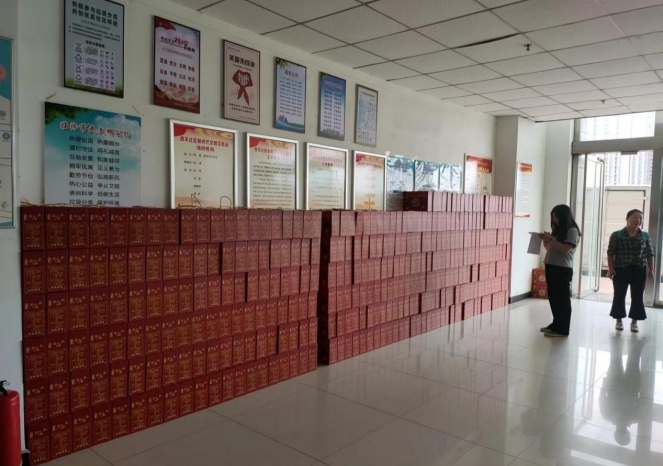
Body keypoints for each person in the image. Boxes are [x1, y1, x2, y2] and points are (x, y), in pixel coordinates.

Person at [607, 209, 654, 333]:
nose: (638, 220)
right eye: (635, 217)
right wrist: (611, 268)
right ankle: (619, 320)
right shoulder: (617, 235)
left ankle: (634, 322)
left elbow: (650, 253)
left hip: (639, 270)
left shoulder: (645, 236)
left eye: (640, 218)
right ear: (627, 219)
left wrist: (651, 269)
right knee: (619, 295)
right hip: (621, 269)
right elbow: (611, 253)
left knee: (637, 296)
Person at [539, 205, 581, 337]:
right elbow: (550, 249)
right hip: (551, 265)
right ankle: (556, 324)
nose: (554, 220)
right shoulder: (557, 230)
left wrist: (551, 239)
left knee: (562, 299)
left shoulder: (572, 230)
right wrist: (546, 241)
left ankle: (563, 329)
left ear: (564, 216)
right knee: (553, 298)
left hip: (562, 268)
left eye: (556, 217)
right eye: (552, 217)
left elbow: (565, 249)